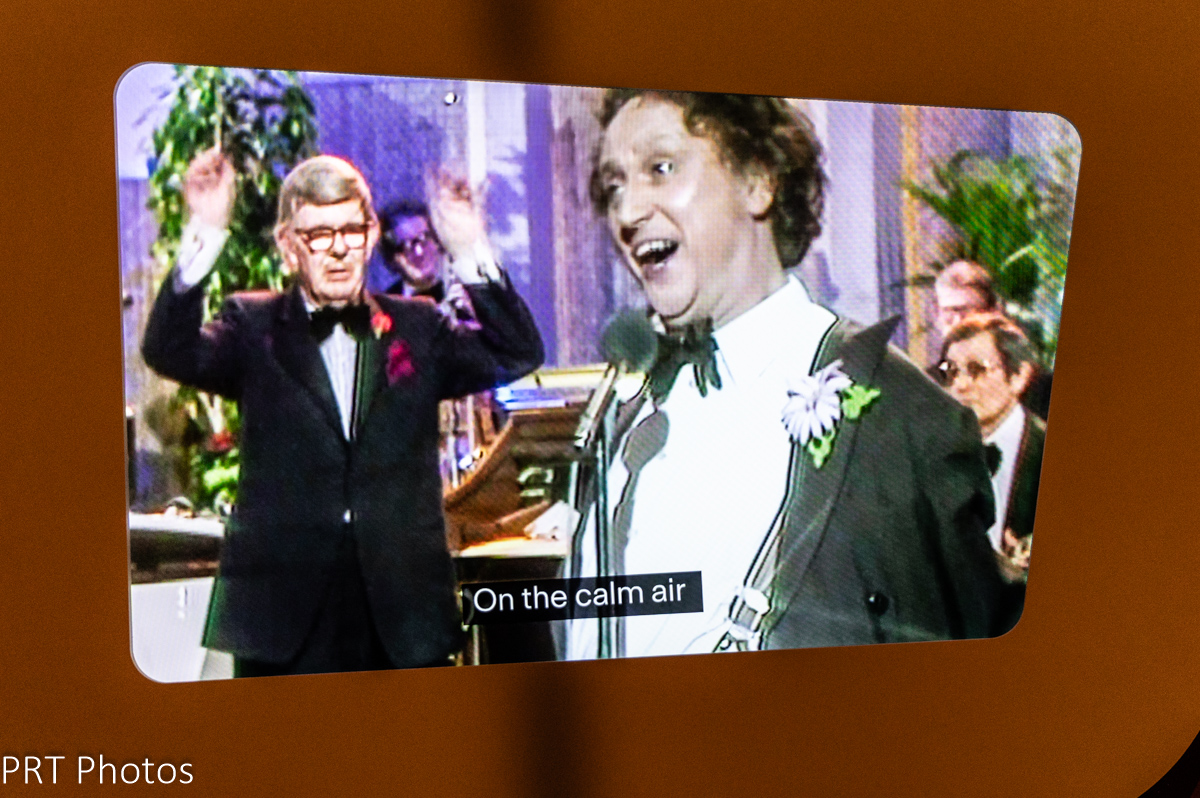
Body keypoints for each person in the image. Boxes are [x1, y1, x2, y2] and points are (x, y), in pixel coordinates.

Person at [567, 90, 1006, 659]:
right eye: (614, 188)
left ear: (757, 182)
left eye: (662, 168)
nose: (627, 214)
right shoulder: (624, 422)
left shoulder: (902, 417)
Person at [142, 149, 544, 676]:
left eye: (351, 231)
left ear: (371, 235)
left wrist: (469, 245)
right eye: (317, 234)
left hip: (404, 618)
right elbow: (168, 351)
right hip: (283, 620)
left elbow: (518, 352)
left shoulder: (419, 326)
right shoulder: (252, 325)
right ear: (288, 245)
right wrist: (205, 232)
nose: (337, 249)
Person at [939, 313, 1044, 618]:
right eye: (951, 372)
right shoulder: (933, 454)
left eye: (977, 370)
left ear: (1020, 376)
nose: (960, 385)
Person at [932, 259, 1052, 419]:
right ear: (937, 315)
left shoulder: (1036, 386)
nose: (958, 322)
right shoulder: (928, 387)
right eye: (948, 313)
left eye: (966, 312)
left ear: (994, 313)